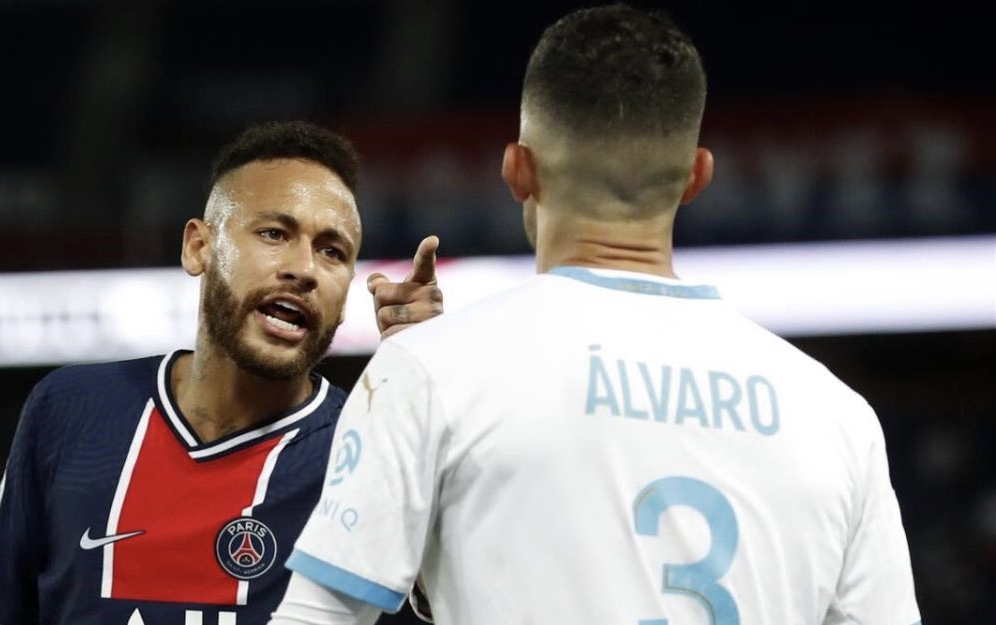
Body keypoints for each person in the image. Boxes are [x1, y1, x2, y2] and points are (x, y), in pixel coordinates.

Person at [268, 4, 922, 625]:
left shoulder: (429, 372)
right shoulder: (839, 417)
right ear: (697, 177)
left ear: (517, 170)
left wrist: (428, 389)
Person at [0, 120, 444, 625]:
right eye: (274, 234)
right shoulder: (71, 410)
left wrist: (431, 390)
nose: (304, 269)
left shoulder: (363, 448)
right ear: (198, 247)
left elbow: (458, 597)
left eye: (332, 252)